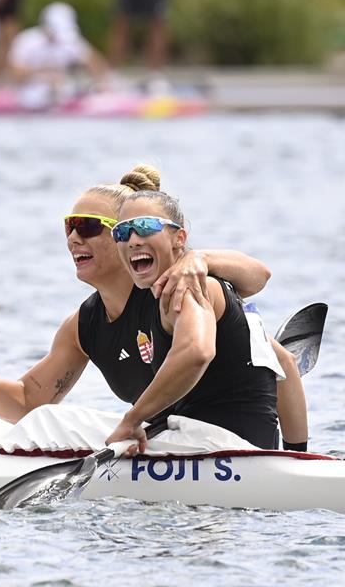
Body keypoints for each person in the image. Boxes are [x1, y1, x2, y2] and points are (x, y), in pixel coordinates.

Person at [0, 165, 309, 449]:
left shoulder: (180, 285)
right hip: (173, 442)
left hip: (223, 447)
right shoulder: (83, 325)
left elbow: (205, 348)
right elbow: (29, 400)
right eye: (69, 226)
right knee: (44, 417)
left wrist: (297, 461)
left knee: (56, 423)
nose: (73, 237)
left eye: (87, 226)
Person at [105, 190, 304, 451]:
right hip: (248, 449)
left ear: (179, 238)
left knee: (56, 420)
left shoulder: (187, 290)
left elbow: (196, 352)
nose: (132, 240)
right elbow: (286, 362)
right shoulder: (200, 289)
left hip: (215, 448)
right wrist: (298, 455)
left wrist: (133, 419)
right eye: (122, 232)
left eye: (144, 227)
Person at [8, 2, 110, 109]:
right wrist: (44, 73)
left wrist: (102, 83)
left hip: (63, 96)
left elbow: (97, 64)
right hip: (29, 96)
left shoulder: (70, 41)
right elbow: (15, 73)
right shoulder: (26, 41)